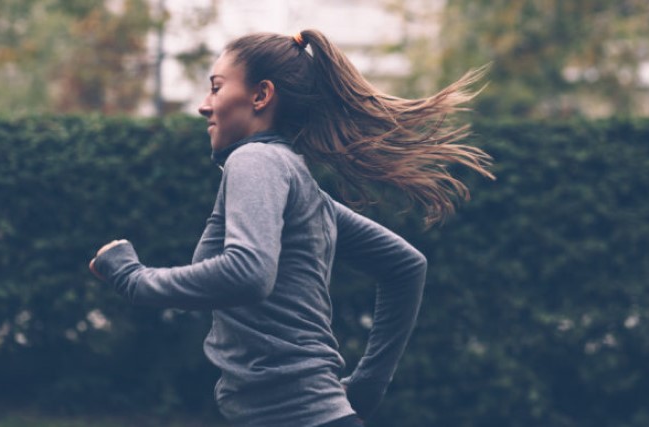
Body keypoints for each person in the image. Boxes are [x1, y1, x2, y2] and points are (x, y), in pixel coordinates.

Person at [89, 29, 494, 427]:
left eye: (216, 87)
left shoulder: (255, 161)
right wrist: (369, 383)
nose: (203, 105)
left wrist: (135, 279)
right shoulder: (299, 185)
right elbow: (406, 265)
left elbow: (248, 273)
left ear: (261, 96)